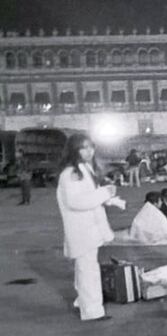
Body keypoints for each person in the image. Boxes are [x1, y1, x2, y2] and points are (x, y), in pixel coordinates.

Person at [56, 133, 121, 322]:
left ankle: (83, 302)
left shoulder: (84, 169)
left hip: (88, 227)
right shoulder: (71, 173)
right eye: (83, 148)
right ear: (74, 150)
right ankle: (92, 311)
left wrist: (108, 198)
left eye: (91, 147)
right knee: (88, 270)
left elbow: (88, 196)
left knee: (85, 268)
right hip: (82, 228)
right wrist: (104, 193)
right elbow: (75, 201)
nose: (89, 151)